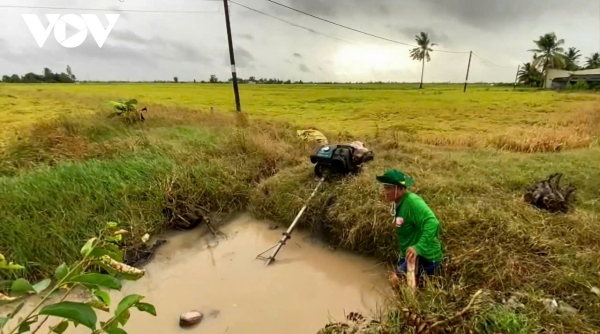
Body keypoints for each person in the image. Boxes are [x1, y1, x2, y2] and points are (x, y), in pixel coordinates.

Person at [375, 169, 443, 285]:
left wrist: (418, 247)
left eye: (388, 188)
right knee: (396, 279)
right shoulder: (398, 203)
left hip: (425, 257)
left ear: (400, 188)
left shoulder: (412, 202)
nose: (385, 192)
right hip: (409, 254)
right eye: (384, 188)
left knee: (395, 281)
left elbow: (432, 222)